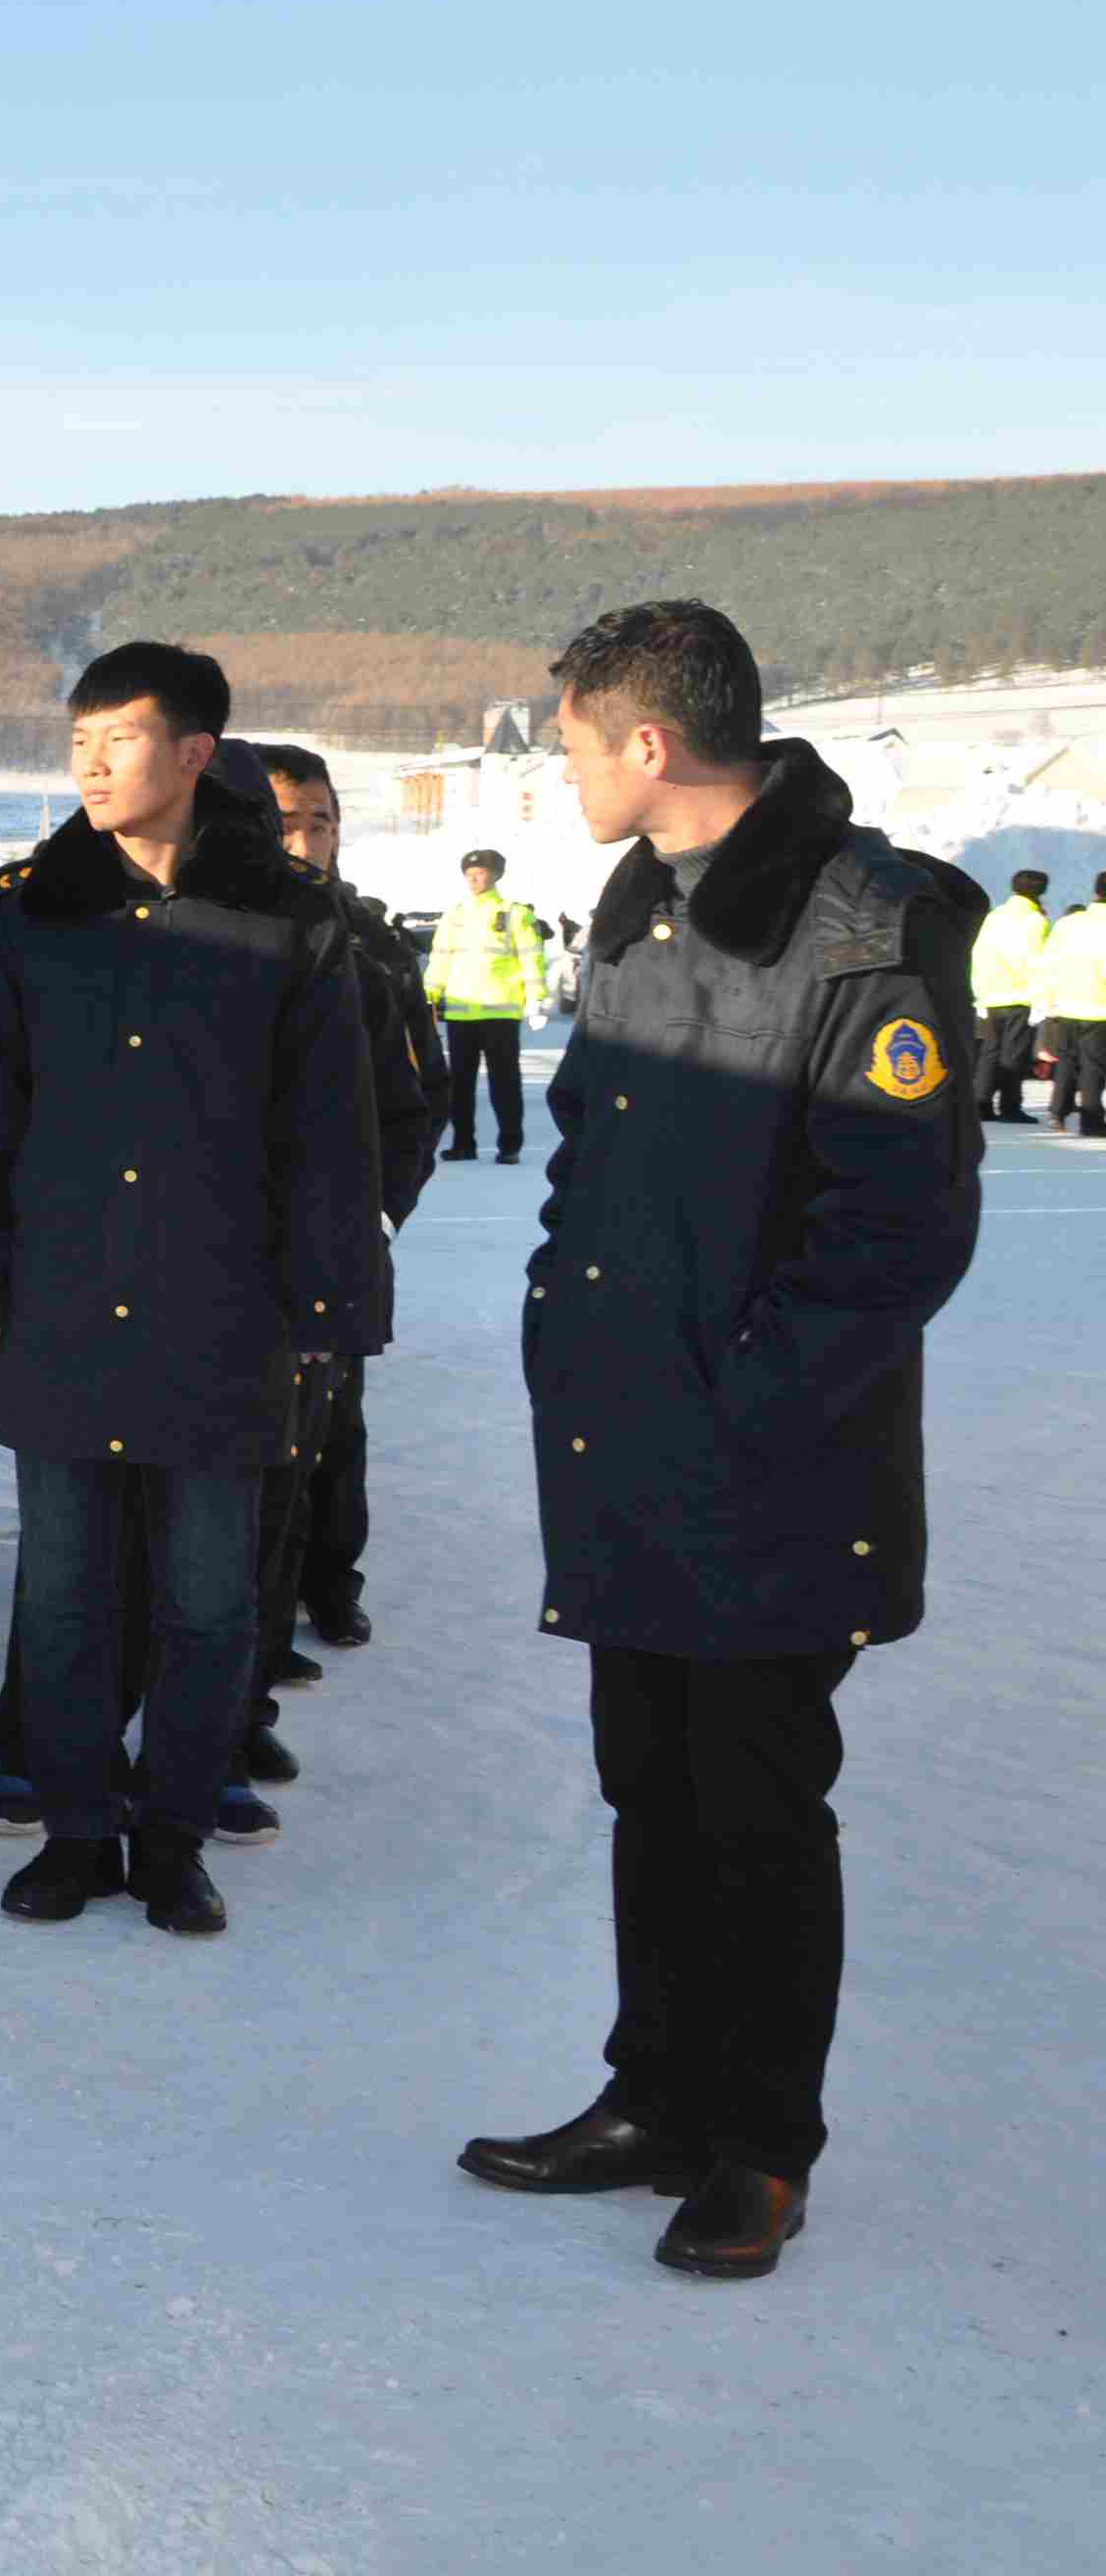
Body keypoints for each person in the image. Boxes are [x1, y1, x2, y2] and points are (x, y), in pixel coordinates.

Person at [462, 598, 983, 2281]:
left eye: (566, 744)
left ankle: (758, 2142)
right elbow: (587, 1163)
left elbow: (891, 1237)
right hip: (627, 1441)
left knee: (754, 1806)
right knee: (647, 1786)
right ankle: (653, 2095)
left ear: (646, 745)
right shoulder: (636, 905)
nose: (557, 777)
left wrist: (740, 1400)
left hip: (766, 1464)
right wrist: (563, 1320)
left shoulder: (863, 929)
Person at [0, 644, 374, 1936]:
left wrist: (327, 1308)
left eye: (117, 738)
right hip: (65, 1303)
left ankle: (173, 1832)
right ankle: (77, 1828)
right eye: (77, 739)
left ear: (191, 754)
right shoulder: (27, 916)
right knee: (65, 1588)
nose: (88, 762)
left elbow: (330, 1133)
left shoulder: (286, 923)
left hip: (221, 1312)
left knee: (206, 1594)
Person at [260, 745, 449, 1665]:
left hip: (344, 1232)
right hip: (242, 1240)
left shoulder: (372, 943)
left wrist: (377, 1217)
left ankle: (330, 1585)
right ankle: (253, 1625)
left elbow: (421, 1095)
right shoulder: (229, 924)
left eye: (321, 821)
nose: (305, 840)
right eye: (285, 820)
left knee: (335, 1426)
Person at [427, 849, 544, 1161]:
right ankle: (464, 1144)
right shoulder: (455, 915)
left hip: (500, 1012)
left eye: (481, 872)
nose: (474, 879)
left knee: (504, 1083)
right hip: (461, 1013)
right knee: (460, 1085)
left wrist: (536, 1000)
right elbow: (440, 959)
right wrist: (429, 995)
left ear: (496, 875)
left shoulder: (513, 914)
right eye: (469, 874)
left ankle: (510, 1146)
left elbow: (531, 958)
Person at [970, 869, 1049, 1121]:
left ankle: (981, 1103)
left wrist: (979, 991)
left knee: (989, 1052)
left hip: (990, 994)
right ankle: (1010, 1106)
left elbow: (979, 953)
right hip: (1019, 994)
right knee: (1013, 1054)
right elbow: (1037, 961)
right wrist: (1040, 998)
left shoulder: (994, 916)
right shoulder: (1036, 921)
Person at [1040, 874, 1106, 1138]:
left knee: (1067, 1060)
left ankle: (1058, 1111)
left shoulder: (1067, 923)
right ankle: (1091, 1120)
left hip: (1064, 1003)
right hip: (1098, 1006)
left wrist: (1048, 997)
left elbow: (1047, 961)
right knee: (1093, 1065)